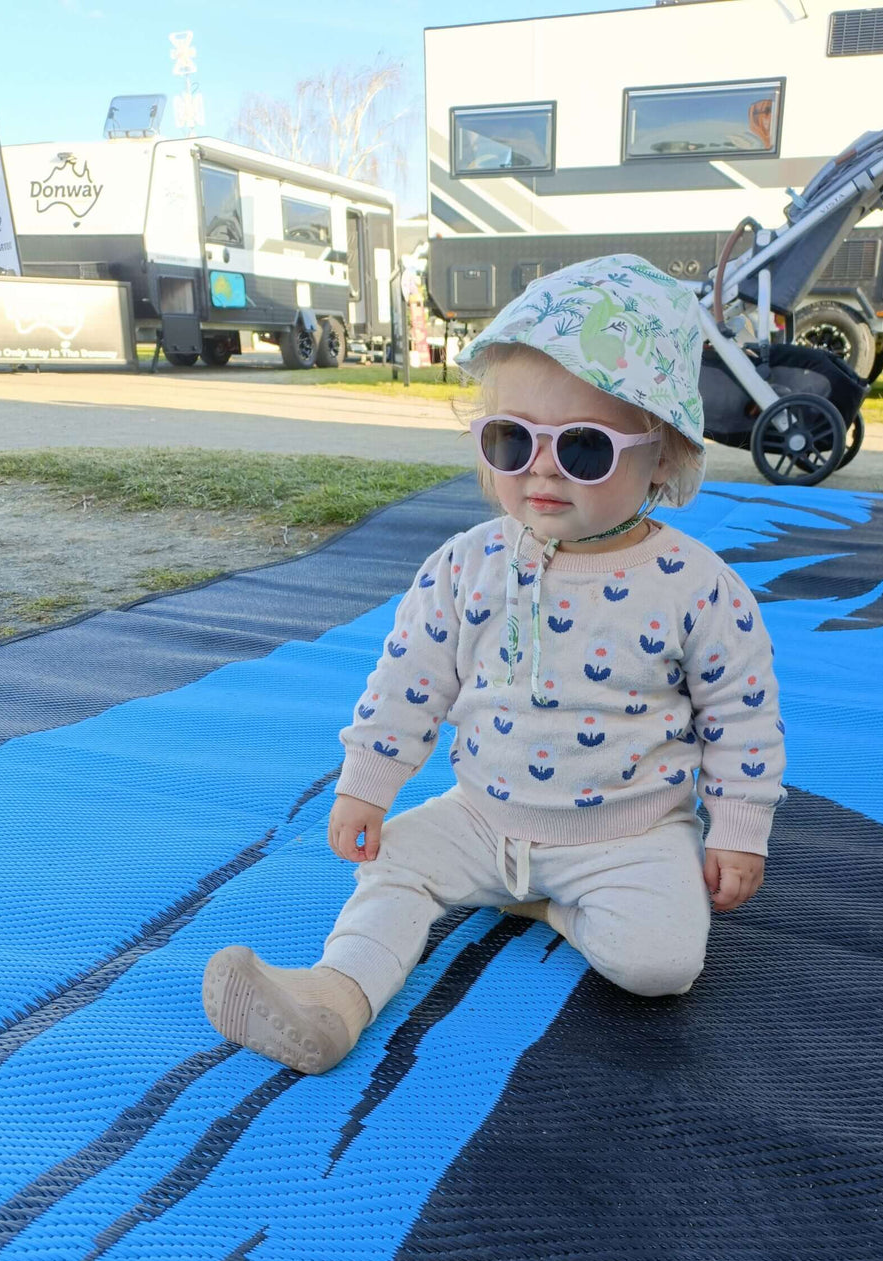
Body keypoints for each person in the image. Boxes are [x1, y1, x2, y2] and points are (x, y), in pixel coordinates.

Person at [201, 255, 787, 1075]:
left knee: (662, 965)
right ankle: (332, 1000)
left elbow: (742, 717)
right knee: (393, 866)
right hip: (479, 816)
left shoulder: (696, 586)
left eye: (584, 449)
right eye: (512, 440)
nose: (541, 468)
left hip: (628, 831)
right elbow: (410, 680)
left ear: (665, 456)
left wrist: (738, 828)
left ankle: (549, 905)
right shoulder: (464, 564)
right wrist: (367, 782)